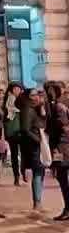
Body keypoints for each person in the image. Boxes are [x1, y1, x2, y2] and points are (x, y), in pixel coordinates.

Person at [19, 87, 50, 214]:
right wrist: (38, 140)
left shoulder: (36, 109)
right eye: (33, 95)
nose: (36, 97)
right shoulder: (27, 110)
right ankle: (37, 203)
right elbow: (25, 129)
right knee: (38, 171)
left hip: (39, 144)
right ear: (27, 97)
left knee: (40, 171)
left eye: (37, 94)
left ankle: (38, 202)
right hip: (33, 145)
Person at [48, 83, 69, 220]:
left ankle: (68, 209)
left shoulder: (59, 106)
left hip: (61, 146)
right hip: (62, 145)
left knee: (62, 177)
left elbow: (65, 127)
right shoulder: (62, 104)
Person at [2, 85, 23, 186]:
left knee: (22, 154)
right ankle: (17, 176)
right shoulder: (8, 103)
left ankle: (20, 173)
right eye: (15, 89)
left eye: (18, 89)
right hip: (12, 132)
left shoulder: (23, 101)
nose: (17, 91)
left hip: (22, 131)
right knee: (14, 155)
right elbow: (6, 118)